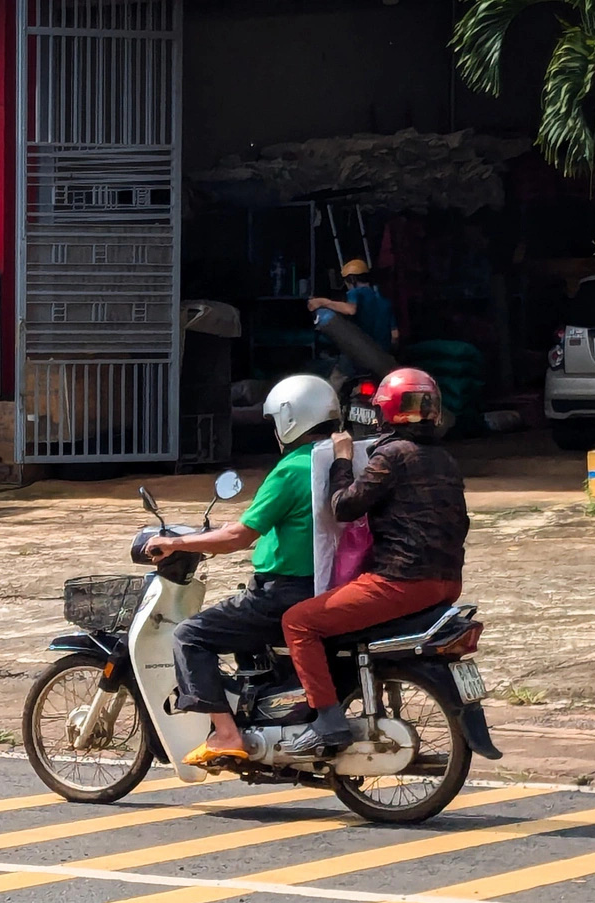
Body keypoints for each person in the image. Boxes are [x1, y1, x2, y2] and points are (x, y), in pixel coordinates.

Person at [144, 375, 335, 769]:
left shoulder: (291, 469)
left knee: (191, 635)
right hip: (329, 585)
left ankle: (226, 734)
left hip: (283, 593)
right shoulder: (338, 459)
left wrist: (177, 543)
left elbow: (237, 536)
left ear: (288, 420)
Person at [280, 367, 469, 755]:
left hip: (402, 582)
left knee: (298, 621)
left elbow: (343, 507)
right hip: (447, 582)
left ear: (385, 411)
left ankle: (328, 721)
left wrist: (342, 460)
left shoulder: (392, 455)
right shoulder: (444, 459)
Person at [308, 258, 399, 355]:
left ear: (352, 279)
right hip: (382, 354)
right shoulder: (385, 301)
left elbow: (350, 310)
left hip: (363, 353)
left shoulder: (354, 293)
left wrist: (322, 302)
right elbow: (395, 335)